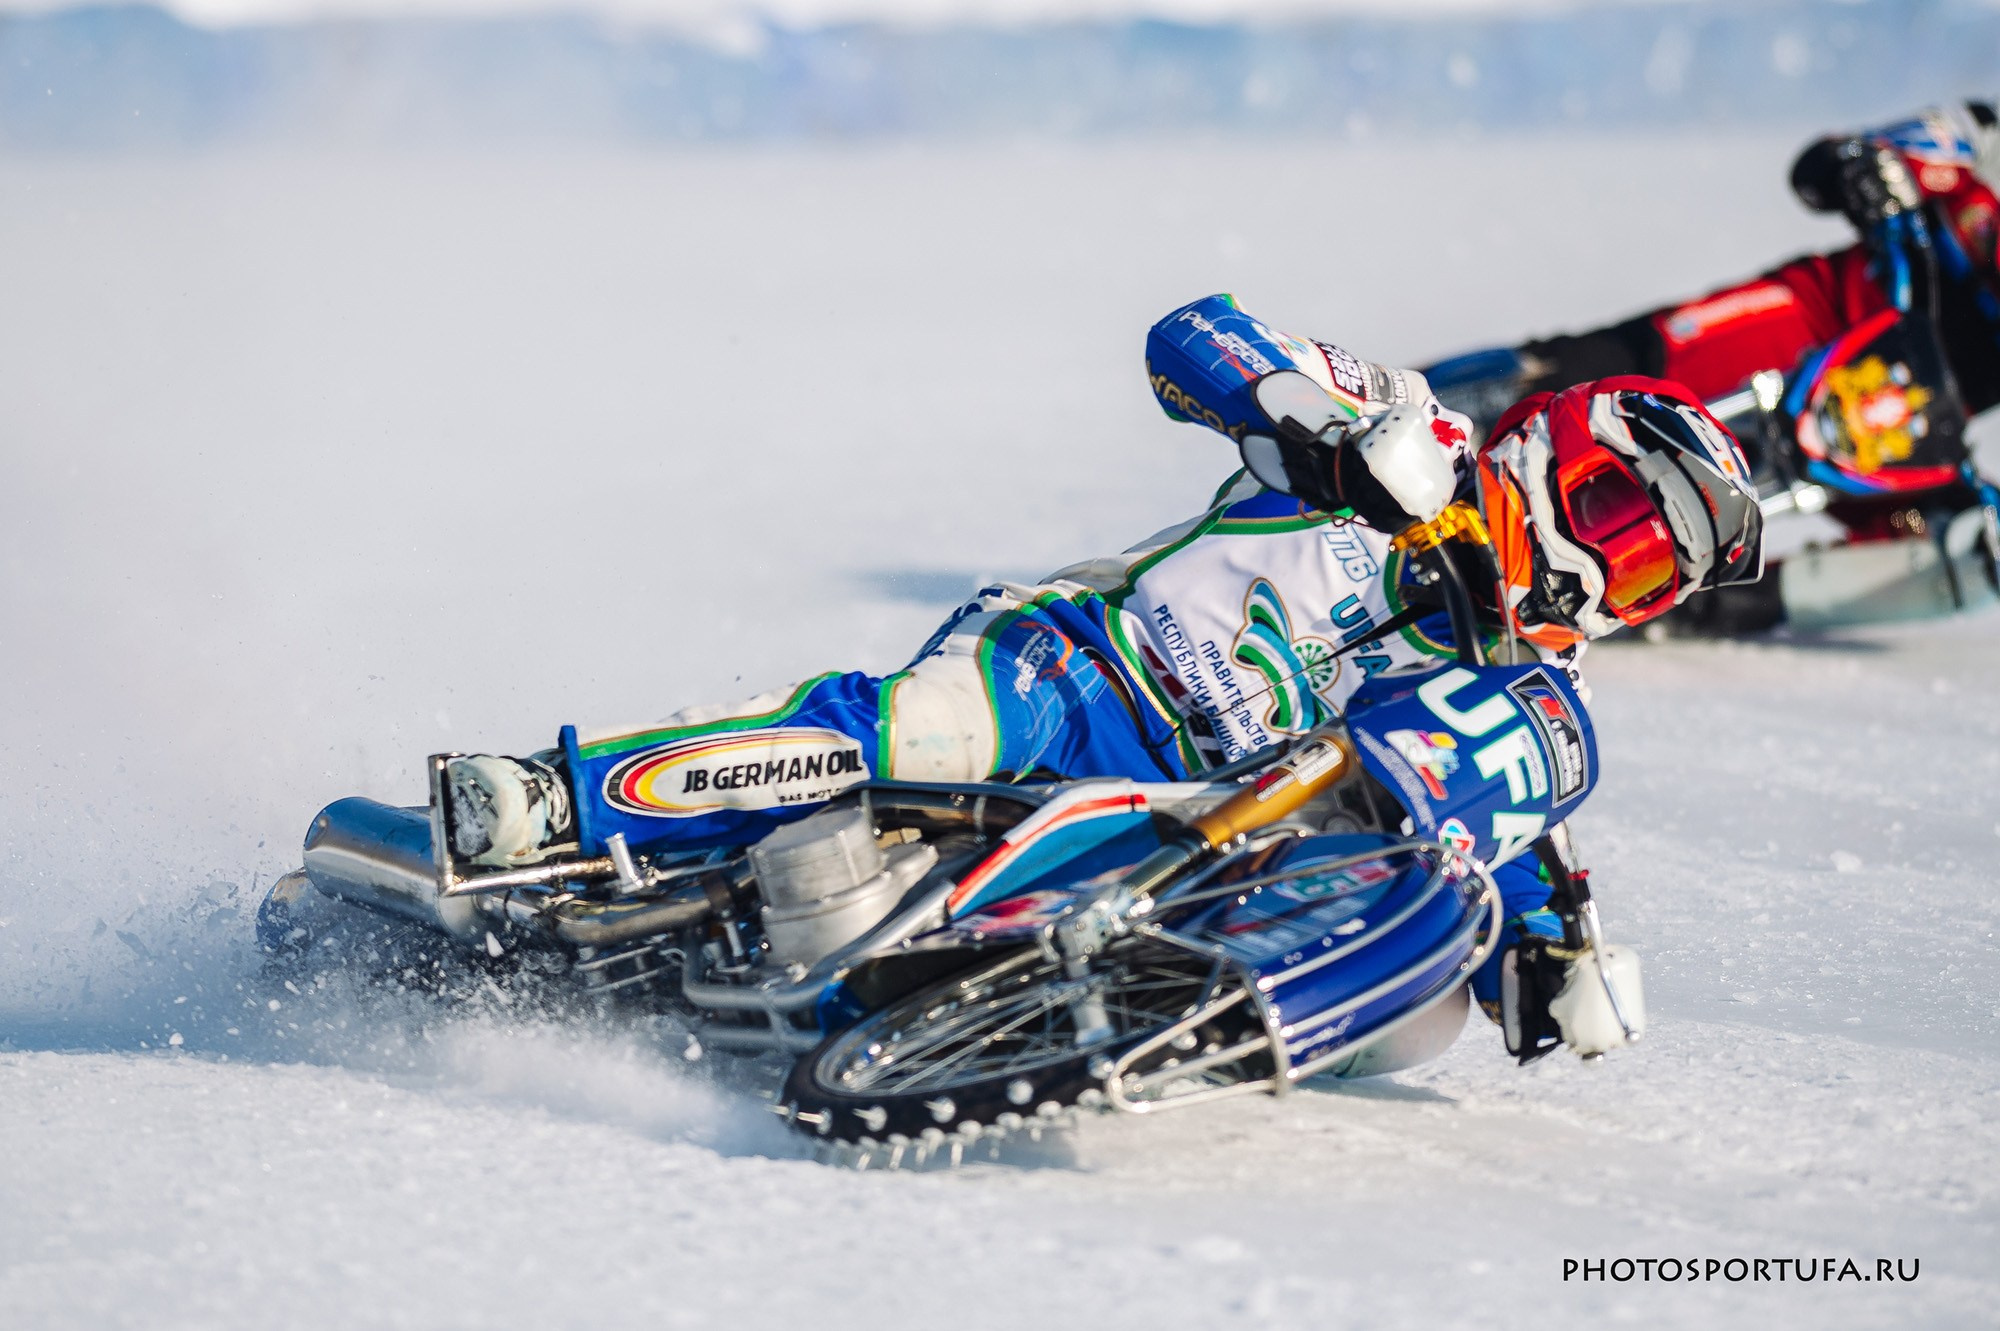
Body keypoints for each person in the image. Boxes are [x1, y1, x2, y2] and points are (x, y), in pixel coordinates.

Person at [443, 293, 1762, 1050]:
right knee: (922, 725)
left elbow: (1477, 817)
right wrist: (1316, 430)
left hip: (1193, 824)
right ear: (1557, 450)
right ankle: (565, 797)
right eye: (1613, 513)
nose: (1603, 571)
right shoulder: (1406, 423)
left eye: (1649, 573)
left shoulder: (1523, 682)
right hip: (1078, 667)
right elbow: (1192, 335)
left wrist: (1535, 960)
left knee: (1416, 1018)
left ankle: (1039, 1027)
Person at [1423, 100, 2000, 634]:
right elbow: (1833, 163)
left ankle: (1694, 604)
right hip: (1818, 321)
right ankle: (1409, 412)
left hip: (1908, 436)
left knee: (1961, 556)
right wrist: (1876, 172)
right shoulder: (1985, 144)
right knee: (1607, 372)